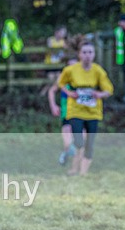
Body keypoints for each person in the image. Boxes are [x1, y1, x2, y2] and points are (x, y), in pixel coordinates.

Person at [48, 41, 114, 176]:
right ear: (79, 54)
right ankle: (74, 167)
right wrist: (70, 93)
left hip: (93, 112)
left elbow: (109, 90)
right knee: (78, 141)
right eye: (84, 52)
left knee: (89, 144)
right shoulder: (70, 70)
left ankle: (83, 172)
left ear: (94, 54)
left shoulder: (98, 71)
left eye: (90, 52)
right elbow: (59, 84)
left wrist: (99, 94)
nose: (87, 55)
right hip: (75, 111)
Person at [43, 25, 75, 165]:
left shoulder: (85, 77)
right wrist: (53, 105)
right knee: (67, 132)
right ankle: (67, 153)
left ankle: (78, 157)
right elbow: (52, 91)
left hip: (82, 110)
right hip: (66, 109)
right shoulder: (64, 78)